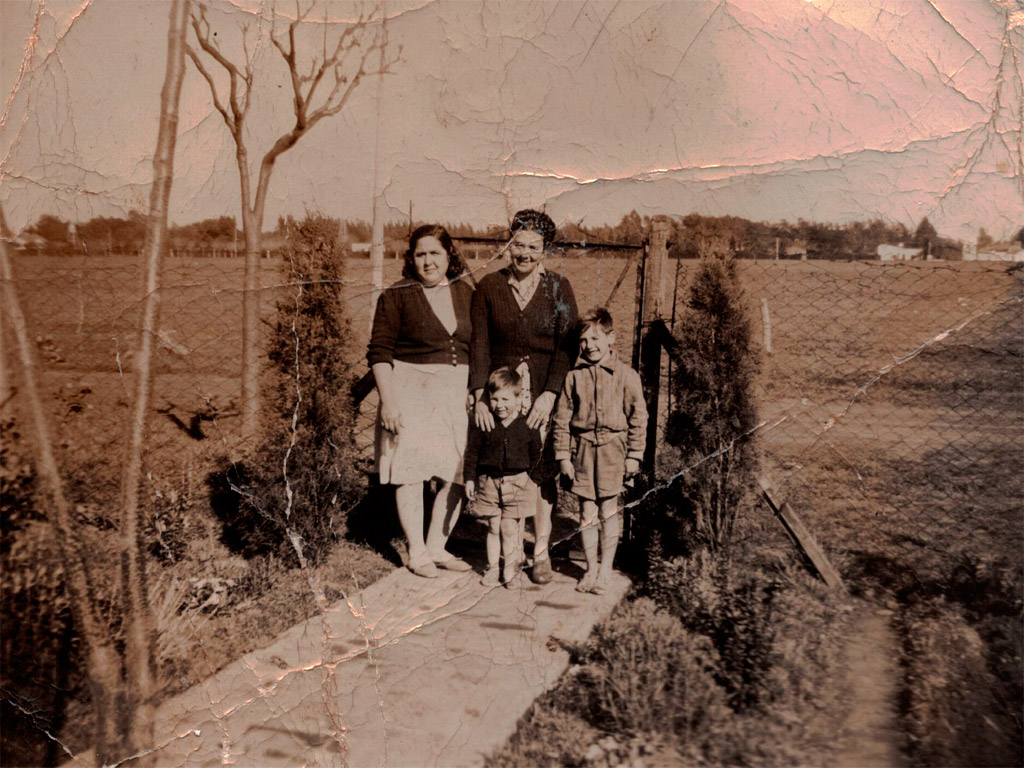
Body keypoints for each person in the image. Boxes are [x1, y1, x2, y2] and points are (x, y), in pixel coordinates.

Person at [470, 209, 579, 584]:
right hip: (502, 397)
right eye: (518, 245)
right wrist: (480, 396)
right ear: (508, 245)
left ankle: (541, 551)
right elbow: (479, 346)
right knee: (507, 468)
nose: (525, 254)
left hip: (542, 395)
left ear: (544, 250)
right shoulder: (488, 287)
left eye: (534, 247)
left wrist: (550, 394)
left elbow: (568, 348)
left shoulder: (559, 288)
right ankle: (508, 556)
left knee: (542, 471)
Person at [368, 225, 474, 578]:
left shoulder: (466, 292)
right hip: (410, 388)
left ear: (449, 256)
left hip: (456, 390)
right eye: (420, 254)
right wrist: (389, 401)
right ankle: (417, 551)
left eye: (435, 253)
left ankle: (438, 547)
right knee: (410, 471)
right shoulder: (396, 295)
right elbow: (380, 353)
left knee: (455, 469)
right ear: (411, 258)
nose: (428, 261)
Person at [552, 307, 647, 594]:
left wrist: (634, 455)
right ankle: (591, 569)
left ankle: (606, 570)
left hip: (613, 452)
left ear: (611, 339)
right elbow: (562, 420)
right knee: (586, 512)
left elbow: (638, 417)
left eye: (595, 339)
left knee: (608, 510)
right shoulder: (574, 378)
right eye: (583, 341)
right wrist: (563, 456)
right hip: (582, 452)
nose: (589, 346)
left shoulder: (627, 376)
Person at [464, 368, 544, 587]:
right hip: (488, 482)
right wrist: (469, 478)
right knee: (492, 526)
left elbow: (537, 455)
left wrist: (533, 480)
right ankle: (492, 568)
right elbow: (472, 452)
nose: (499, 405)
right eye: (494, 399)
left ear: (518, 398)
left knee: (509, 529)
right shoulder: (485, 424)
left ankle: (510, 570)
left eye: (506, 399)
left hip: (518, 483)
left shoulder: (527, 426)